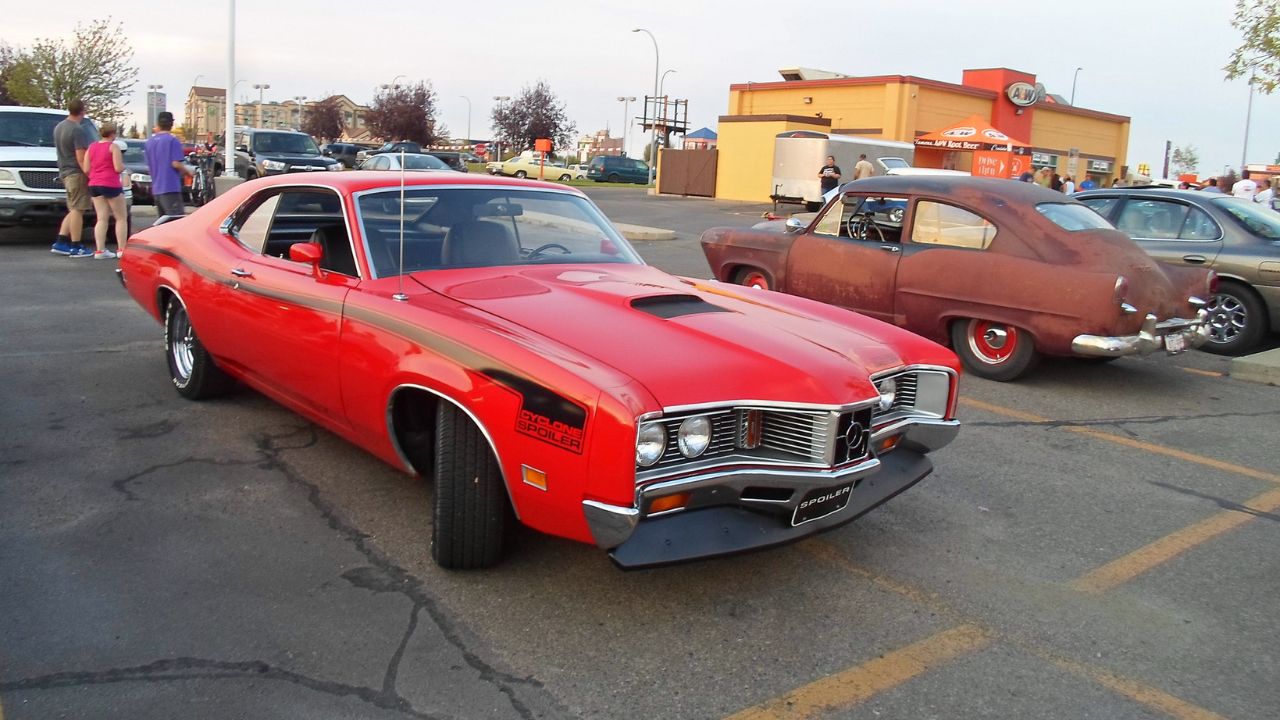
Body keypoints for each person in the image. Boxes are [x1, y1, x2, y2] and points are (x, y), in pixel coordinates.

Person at [51, 99, 93, 257]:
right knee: (78, 210)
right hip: (76, 173)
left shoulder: (59, 127)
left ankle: (61, 241)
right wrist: (90, 175)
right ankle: (76, 245)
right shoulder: (77, 130)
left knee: (73, 207)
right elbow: (81, 158)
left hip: (64, 171)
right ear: (83, 111)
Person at [81, 122, 126, 259]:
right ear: (113, 134)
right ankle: (121, 249)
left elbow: (86, 169)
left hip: (94, 184)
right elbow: (118, 168)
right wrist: (124, 167)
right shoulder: (113, 147)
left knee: (101, 218)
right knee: (120, 217)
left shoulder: (91, 147)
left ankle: (100, 250)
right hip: (110, 183)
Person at [145, 111, 190, 217]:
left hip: (156, 188)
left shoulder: (149, 142)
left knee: (163, 223)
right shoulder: (172, 141)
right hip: (170, 187)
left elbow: (149, 167)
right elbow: (175, 163)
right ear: (171, 124)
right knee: (175, 220)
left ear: (158, 124)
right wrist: (187, 172)